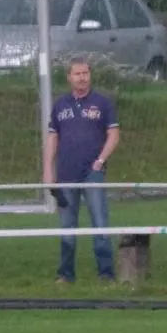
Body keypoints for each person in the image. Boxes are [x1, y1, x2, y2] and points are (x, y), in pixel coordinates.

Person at [43, 59, 120, 282]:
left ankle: (106, 273)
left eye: (85, 73)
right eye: (77, 74)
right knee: (67, 226)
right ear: (69, 77)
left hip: (92, 172)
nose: (82, 77)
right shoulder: (60, 105)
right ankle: (65, 274)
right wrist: (48, 170)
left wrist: (101, 160)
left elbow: (114, 135)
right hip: (66, 173)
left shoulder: (102, 103)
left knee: (100, 222)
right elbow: (52, 138)